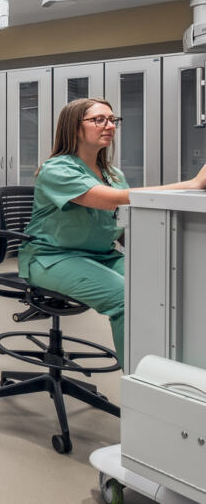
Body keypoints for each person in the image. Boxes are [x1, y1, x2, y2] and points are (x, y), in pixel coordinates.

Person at [19, 98, 206, 366]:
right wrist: (193, 184)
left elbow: (117, 222)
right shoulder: (57, 169)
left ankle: (170, 373)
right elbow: (111, 200)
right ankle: (139, 386)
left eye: (112, 120)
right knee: (124, 298)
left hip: (103, 255)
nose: (109, 126)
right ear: (74, 127)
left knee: (163, 287)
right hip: (53, 258)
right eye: (99, 120)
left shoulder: (113, 173)